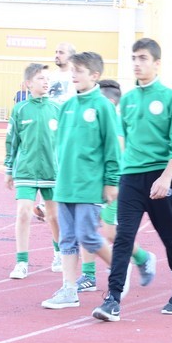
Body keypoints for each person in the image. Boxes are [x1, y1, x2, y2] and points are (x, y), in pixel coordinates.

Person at [93, 38, 172, 321]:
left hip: (163, 177)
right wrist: (113, 178)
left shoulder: (170, 98)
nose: (137, 63)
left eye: (143, 58)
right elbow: (122, 142)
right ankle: (113, 298)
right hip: (131, 178)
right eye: (134, 58)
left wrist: (166, 178)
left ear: (157, 63)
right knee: (123, 236)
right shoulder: (127, 100)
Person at [41, 52, 119, 309]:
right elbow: (59, 147)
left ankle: (120, 269)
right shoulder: (67, 106)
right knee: (67, 239)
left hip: (90, 185)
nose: (73, 75)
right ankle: (69, 289)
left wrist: (111, 181)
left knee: (88, 235)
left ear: (94, 75)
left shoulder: (103, 106)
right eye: (72, 70)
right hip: (65, 185)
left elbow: (112, 147)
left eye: (79, 71)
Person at [75, 79, 157, 293]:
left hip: (115, 183)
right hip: (92, 183)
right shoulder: (93, 119)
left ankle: (142, 258)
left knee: (111, 233)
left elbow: (118, 151)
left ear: (110, 102)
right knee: (87, 228)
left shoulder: (116, 121)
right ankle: (89, 275)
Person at [5, 63, 62, 280]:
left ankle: (59, 254)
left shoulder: (57, 109)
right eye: (40, 78)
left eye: (47, 78)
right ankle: (21, 262)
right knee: (23, 213)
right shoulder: (20, 110)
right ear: (28, 83)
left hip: (52, 171)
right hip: (26, 171)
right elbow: (12, 140)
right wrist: (8, 168)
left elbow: (65, 142)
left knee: (54, 216)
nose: (46, 82)